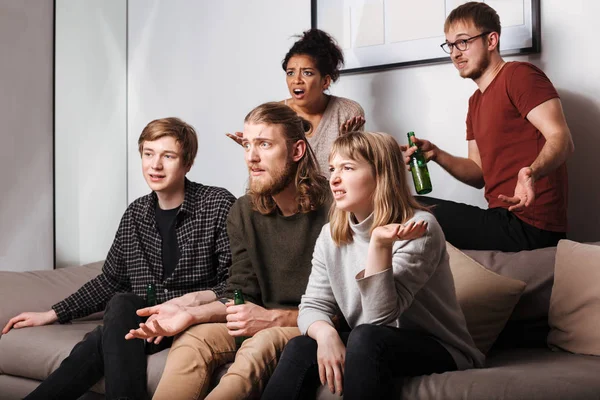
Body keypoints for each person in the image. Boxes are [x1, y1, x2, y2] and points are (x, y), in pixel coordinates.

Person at [2, 117, 236, 400]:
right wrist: (51, 314)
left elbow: (236, 284)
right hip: (142, 324)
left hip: (193, 322)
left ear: (187, 163)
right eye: (148, 154)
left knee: (101, 338)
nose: (155, 165)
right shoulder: (136, 214)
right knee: (121, 305)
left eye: (168, 156)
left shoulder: (217, 204)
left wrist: (187, 307)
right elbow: (111, 280)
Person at [126, 102, 331, 399]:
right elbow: (240, 291)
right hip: (261, 318)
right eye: (247, 145)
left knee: (259, 346)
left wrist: (272, 318)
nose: (252, 157)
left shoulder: (335, 206)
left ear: (297, 151)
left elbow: (346, 310)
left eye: (264, 144)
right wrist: (191, 315)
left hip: (310, 325)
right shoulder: (244, 211)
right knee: (194, 339)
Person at [262, 131, 484, 400]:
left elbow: (381, 318)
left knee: (365, 337)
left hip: (440, 348)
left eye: (348, 167)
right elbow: (312, 306)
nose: (334, 178)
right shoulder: (331, 235)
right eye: (333, 168)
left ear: (381, 174)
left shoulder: (419, 228)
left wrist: (380, 245)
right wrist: (326, 336)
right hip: (371, 344)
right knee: (299, 346)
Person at [403, 2, 574, 252]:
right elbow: (478, 174)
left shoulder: (519, 76)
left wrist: (531, 173)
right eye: (450, 45)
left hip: (532, 226)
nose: (455, 53)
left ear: (491, 40)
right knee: (403, 206)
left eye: (463, 42)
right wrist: (436, 154)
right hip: (500, 219)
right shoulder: (475, 102)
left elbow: (562, 139)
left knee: (406, 208)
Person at [227, 29, 365, 174]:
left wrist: (347, 143)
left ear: (325, 81)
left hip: (332, 195)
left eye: (307, 73)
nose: (297, 80)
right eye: (290, 73)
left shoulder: (348, 112)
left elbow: (353, 172)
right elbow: (271, 173)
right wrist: (255, 146)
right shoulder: (272, 115)